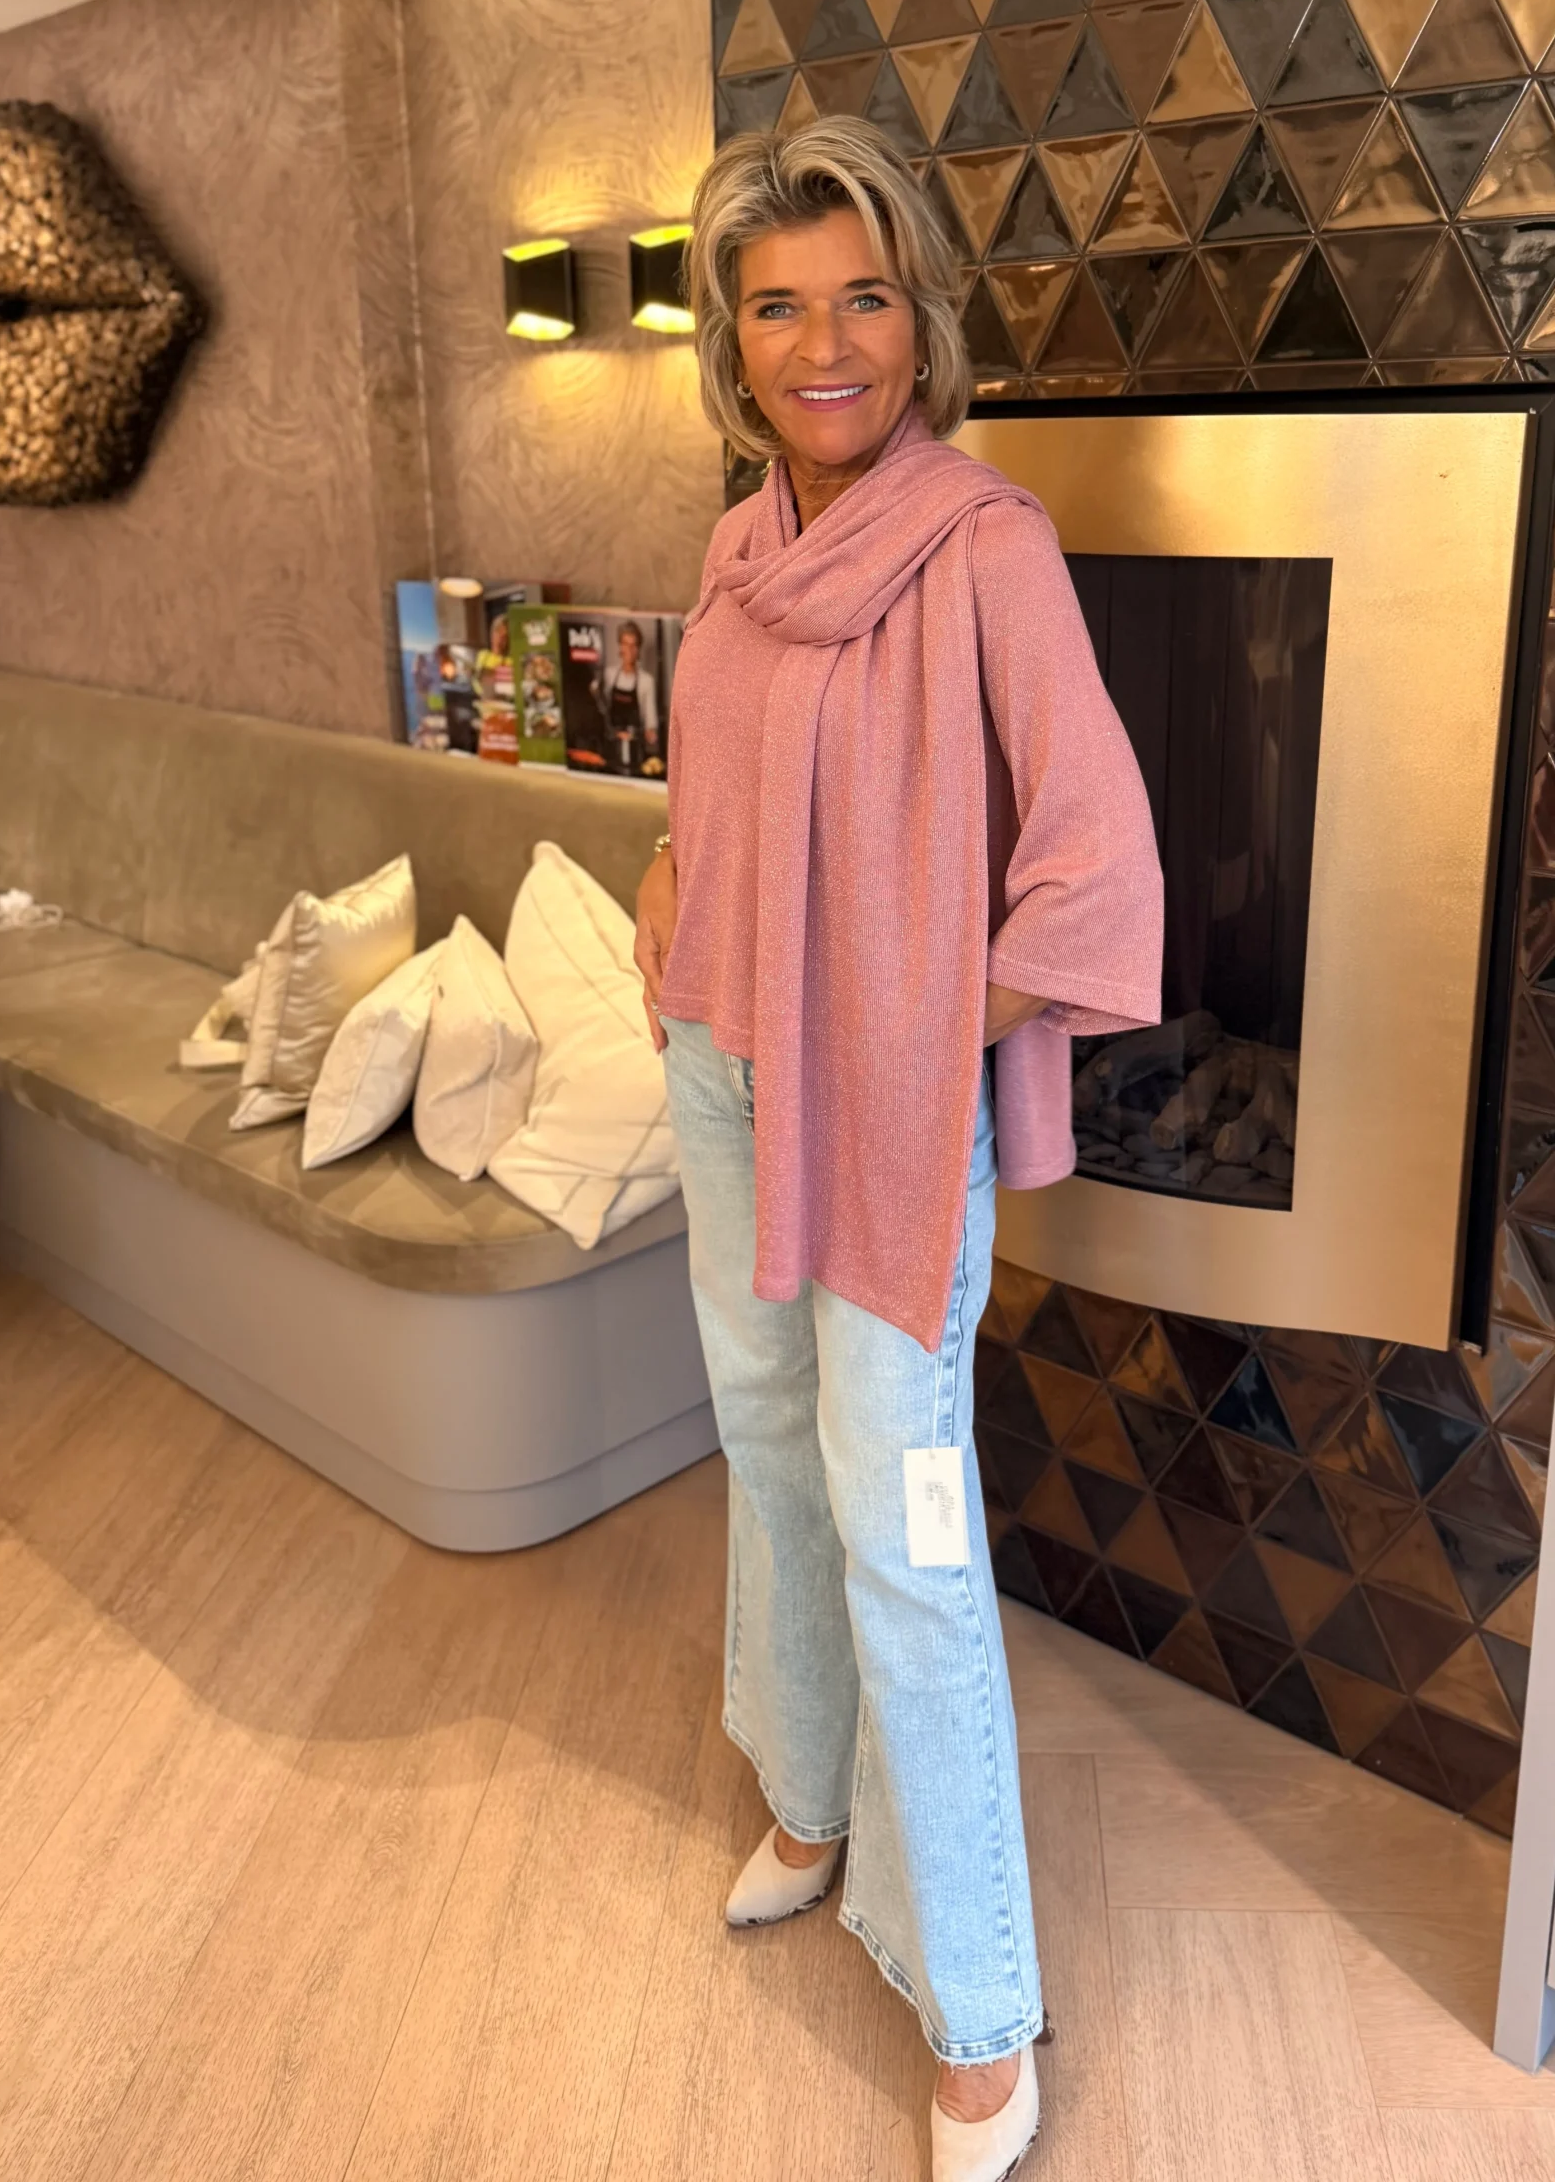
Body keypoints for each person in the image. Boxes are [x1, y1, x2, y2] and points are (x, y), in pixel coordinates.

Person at [633, 116, 1162, 2182]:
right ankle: (807, 1797)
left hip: (880, 1115)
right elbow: (719, 783)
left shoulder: (984, 547)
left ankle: (979, 2012)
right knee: (767, 1442)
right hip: (721, 1065)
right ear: (734, 338)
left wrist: (929, 1042)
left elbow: (1098, 871)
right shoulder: (737, 547)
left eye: (862, 295)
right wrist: (676, 903)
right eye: (778, 305)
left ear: (920, 317)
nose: (824, 342)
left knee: (907, 1530)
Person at [603, 617, 660, 772]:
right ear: (620, 647)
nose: (629, 649)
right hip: (610, 748)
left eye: (634, 645)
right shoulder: (609, 675)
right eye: (625, 644)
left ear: (638, 649)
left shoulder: (646, 681)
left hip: (635, 750)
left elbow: (650, 723)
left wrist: (651, 734)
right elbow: (601, 712)